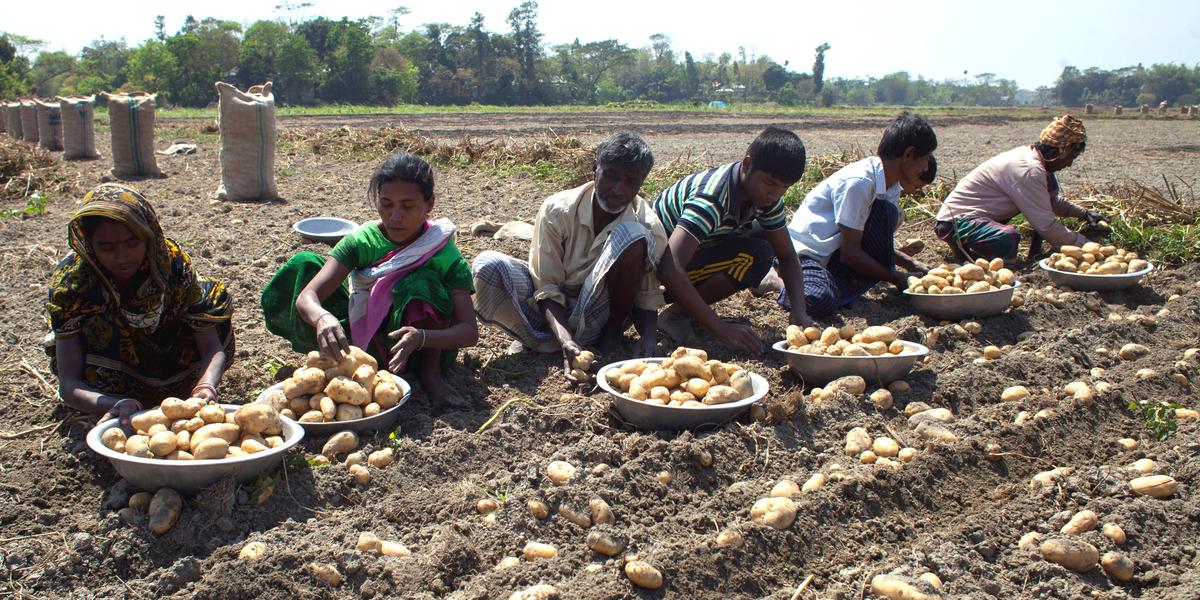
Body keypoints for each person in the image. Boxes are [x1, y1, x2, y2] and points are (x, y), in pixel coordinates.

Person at [261, 152, 478, 406]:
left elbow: (469, 332)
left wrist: (422, 337)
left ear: (429, 205)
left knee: (423, 281)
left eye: (407, 206)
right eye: (386, 204)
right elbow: (308, 297)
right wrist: (322, 317)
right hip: (360, 342)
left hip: (417, 349)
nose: (395, 216)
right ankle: (343, 361)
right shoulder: (362, 241)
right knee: (304, 264)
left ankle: (430, 375)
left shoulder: (442, 251)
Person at [46, 183, 233, 429]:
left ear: (148, 235)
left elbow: (211, 348)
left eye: (132, 243)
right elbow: (68, 384)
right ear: (89, 243)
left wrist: (207, 385)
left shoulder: (173, 265)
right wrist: (111, 403)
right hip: (111, 383)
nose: (122, 257)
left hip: (176, 370)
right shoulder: (73, 284)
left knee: (210, 307)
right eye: (107, 247)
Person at [653, 126, 812, 347]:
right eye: (769, 183)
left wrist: (799, 310)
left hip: (692, 252)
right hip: (656, 269)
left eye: (784, 188)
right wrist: (718, 327)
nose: (774, 194)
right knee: (756, 255)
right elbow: (669, 267)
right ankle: (677, 316)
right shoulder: (712, 198)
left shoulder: (766, 198)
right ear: (747, 165)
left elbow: (786, 255)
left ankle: (684, 310)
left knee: (765, 235)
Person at [778, 112, 937, 316]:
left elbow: (865, 241)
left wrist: (910, 263)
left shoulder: (891, 187)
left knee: (887, 215)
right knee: (819, 300)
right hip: (808, 256)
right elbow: (851, 252)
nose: (925, 167)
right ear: (908, 154)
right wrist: (895, 277)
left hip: (835, 256)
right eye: (925, 159)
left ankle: (827, 283)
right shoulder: (860, 183)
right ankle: (777, 280)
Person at [934, 114, 1105, 262]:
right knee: (1008, 238)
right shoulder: (1029, 170)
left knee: (1040, 209)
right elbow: (1046, 226)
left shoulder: (1038, 165)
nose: (1069, 165)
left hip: (978, 217)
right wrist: (1087, 246)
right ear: (1061, 151)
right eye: (1071, 158)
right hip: (954, 223)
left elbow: (1049, 203)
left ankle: (1034, 254)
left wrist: (1084, 213)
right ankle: (985, 260)